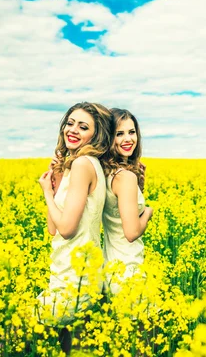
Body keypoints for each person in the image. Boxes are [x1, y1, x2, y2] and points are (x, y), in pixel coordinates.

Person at [37, 101, 113, 324]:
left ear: (96, 136)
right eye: (70, 123)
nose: (73, 130)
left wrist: (47, 194)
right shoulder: (81, 165)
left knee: (8, 342)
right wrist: (58, 180)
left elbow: (67, 229)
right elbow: (54, 229)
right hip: (69, 273)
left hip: (74, 278)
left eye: (83, 127)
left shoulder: (82, 165)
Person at [101, 108, 153, 295]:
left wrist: (139, 186)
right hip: (129, 270)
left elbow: (119, 211)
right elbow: (131, 232)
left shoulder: (107, 172)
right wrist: (148, 211)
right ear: (108, 138)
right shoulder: (125, 177)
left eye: (132, 132)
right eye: (119, 134)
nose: (128, 139)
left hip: (111, 267)